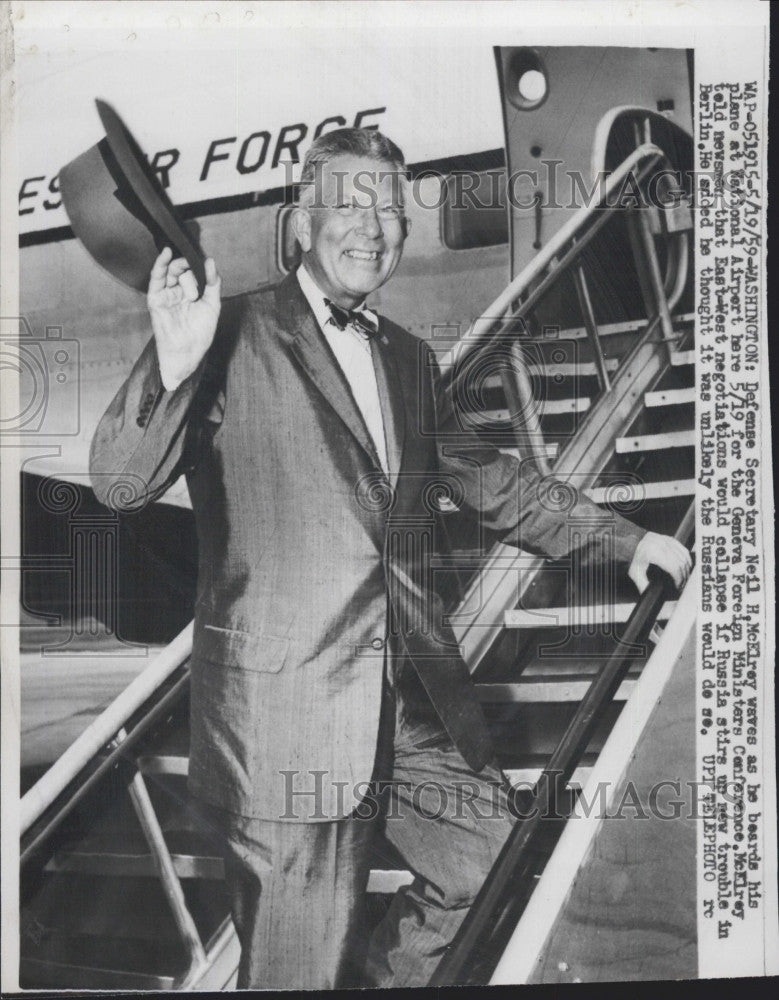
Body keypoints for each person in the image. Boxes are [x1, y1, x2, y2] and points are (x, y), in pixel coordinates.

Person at [90, 127, 691, 989]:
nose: (373, 225)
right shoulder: (228, 334)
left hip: (408, 709)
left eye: (390, 206)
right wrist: (174, 364)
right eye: (349, 203)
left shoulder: (407, 358)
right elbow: (118, 481)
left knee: (493, 862)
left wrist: (625, 539)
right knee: (297, 968)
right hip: (285, 722)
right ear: (301, 223)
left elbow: (494, 482)